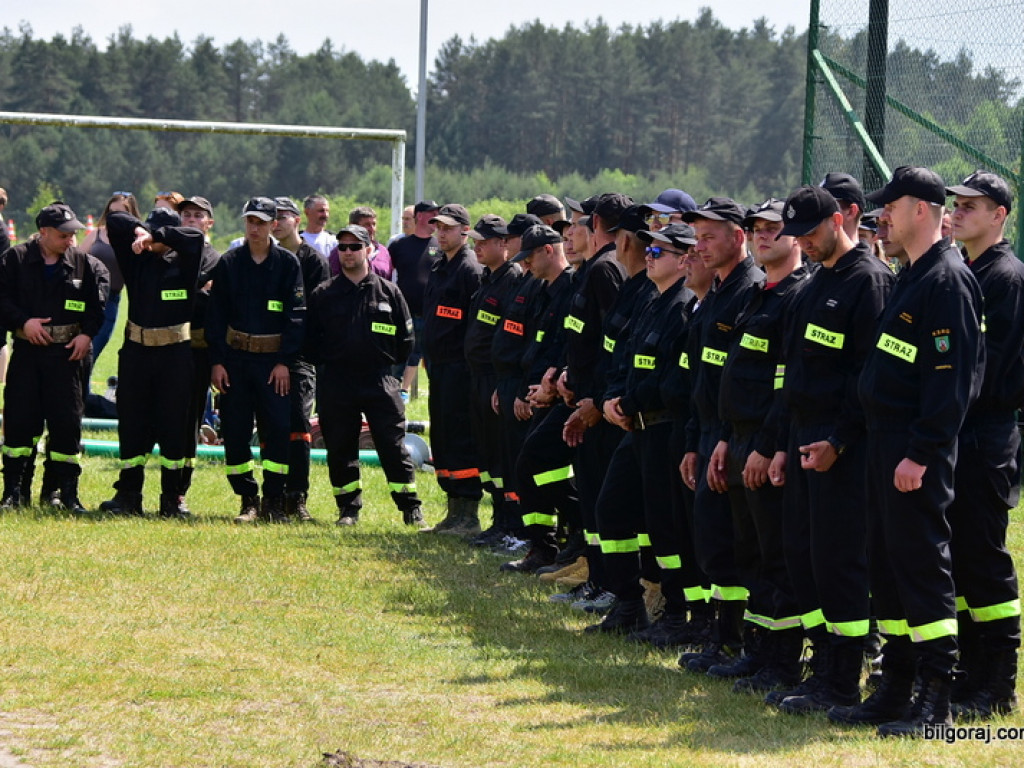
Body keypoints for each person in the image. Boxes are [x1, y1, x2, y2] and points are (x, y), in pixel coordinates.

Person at [846, 166, 985, 737]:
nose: (883, 216)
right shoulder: (912, 274)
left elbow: (950, 384)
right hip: (884, 445)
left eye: (893, 207)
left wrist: (922, 452)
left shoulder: (947, 280)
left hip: (913, 451)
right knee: (888, 565)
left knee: (922, 568)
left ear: (923, 209)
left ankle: (935, 698)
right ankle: (896, 687)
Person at [766, 184, 895, 714]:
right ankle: (822, 667)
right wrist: (779, 444)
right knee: (804, 555)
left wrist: (839, 440)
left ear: (844, 218)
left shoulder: (870, 282)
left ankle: (843, 679)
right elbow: (791, 373)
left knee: (840, 561)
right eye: (798, 235)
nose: (806, 243)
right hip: (801, 437)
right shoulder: (814, 284)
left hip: (844, 445)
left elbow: (870, 376)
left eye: (813, 232)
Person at [705, 199, 811, 691]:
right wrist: (728, 438)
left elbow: (786, 385)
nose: (764, 235)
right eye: (758, 228)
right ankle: (757, 650)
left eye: (775, 228)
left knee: (776, 557)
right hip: (742, 436)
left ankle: (783, 661)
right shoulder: (759, 294)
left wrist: (766, 446)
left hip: (769, 442)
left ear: (795, 237)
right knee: (750, 551)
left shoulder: (796, 296)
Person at [943, 171, 1022, 721]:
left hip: (988, 432)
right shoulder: (966, 271)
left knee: (983, 557)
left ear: (1000, 215)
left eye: (973, 205)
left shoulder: (1006, 278)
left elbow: (995, 370)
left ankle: (998, 682)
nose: (961, 211)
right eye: (958, 204)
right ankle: (969, 672)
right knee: (961, 558)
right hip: (958, 431)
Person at [676, 197, 765, 673]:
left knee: (738, 544)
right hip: (709, 433)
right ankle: (724, 635)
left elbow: (744, 383)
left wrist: (726, 438)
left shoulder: (749, 290)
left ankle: (743, 640)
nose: (701, 245)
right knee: (713, 541)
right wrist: (694, 440)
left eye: (710, 236)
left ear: (738, 236)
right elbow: (701, 380)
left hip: (734, 437)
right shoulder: (715, 293)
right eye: (698, 237)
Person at [307, 224, 425, 526]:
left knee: (392, 444)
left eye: (354, 246)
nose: (347, 252)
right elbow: (310, 340)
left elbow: (406, 341)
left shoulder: (388, 291)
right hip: (337, 381)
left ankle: (410, 508)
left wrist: (387, 368)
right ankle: (348, 509)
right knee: (340, 446)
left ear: (368, 249)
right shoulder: (324, 294)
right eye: (342, 247)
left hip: (379, 380)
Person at [98, 207, 205, 518]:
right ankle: (128, 493)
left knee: (175, 426)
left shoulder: (185, 262)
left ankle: (172, 497)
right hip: (136, 353)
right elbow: (116, 220)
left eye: (159, 234)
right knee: (132, 424)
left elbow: (194, 236)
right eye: (150, 231)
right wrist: (141, 234)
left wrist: (158, 235)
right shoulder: (135, 260)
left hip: (175, 355)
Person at [0, 203, 106, 512]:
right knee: (20, 425)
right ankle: (14, 493)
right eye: (63, 235)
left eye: (73, 234)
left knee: (66, 424)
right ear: (43, 232)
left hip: (67, 358)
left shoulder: (86, 266)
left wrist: (86, 335)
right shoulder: (15, 260)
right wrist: (23, 322)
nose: (70, 241)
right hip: (28, 355)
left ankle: (62, 493)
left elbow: (99, 308)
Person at [206, 197, 305, 523]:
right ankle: (248, 499)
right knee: (234, 431)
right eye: (250, 221)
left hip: (272, 365)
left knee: (277, 431)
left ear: (273, 224)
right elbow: (216, 316)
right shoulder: (230, 263)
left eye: (261, 222)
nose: (255, 228)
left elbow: (296, 317)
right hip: (235, 362)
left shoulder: (288, 264)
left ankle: (274, 501)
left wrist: (284, 363)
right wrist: (217, 362)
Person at [419, 204, 484, 533]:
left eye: (447, 227)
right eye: (437, 228)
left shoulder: (469, 270)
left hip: (460, 368)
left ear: (465, 230)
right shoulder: (439, 266)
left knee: (460, 437)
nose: (440, 233)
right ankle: (452, 510)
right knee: (442, 437)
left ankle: (468, 513)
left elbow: (474, 326)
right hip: (439, 367)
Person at [463, 215, 521, 539]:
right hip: (477, 377)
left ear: (503, 244)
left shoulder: (510, 278)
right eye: (475, 241)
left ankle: (512, 524)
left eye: (484, 241)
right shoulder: (488, 278)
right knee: (486, 453)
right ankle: (498, 520)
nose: (477, 246)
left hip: (494, 379)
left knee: (502, 455)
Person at [272, 196, 330, 521]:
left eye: (283, 216)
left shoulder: (313, 261)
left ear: (296, 220)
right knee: (272, 427)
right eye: (273, 217)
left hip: (300, 358)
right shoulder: (267, 258)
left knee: (298, 428)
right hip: (267, 355)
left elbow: (313, 316)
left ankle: (297, 498)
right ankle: (273, 498)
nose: (277, 222)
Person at [177, 196, 221, 510]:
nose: (191, 219)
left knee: (189, 420)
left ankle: (179, 490)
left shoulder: (216, 261)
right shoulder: (166, 254)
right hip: (164, 349)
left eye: (198, 215)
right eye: (186, 215)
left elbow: (213, 308)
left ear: (209, 223)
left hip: (197, 350)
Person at [80, 192, 142, 362]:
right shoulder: (96, 234)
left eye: (120, 213)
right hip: (86, 295)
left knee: (92, 352)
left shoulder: (135, 240)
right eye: (111, 212)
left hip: (110, 299)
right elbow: (76, 260)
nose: (114, 218)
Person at [389, 200, 441, 397]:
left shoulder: (439, 245)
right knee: (399, 352)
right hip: (403, 311)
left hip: (430, 313)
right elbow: (385, 272)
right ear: (420, 216)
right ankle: (392, 391)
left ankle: (405, 391)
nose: (436, 218)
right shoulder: (399, 245)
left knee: (420, 354)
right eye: (432, 214)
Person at [328, 206, 392, 280]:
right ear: (352, 226)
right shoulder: (341, 253)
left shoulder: (383, 252)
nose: (372, 229)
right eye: (367, 225)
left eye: (374, 224)